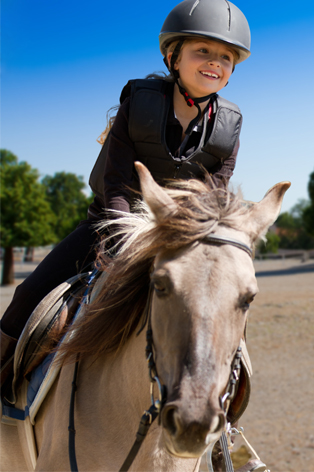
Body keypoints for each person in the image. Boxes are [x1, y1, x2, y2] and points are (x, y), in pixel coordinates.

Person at [1, 0, 250, 395]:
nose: (214, 62)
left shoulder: (229, 127)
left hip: (178, 239)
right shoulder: (139, 105)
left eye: (225, 56)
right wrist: (126, 243)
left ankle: (226, 423)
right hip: (111, 227)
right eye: (202, 50)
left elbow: (213, 198)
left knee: (228, 316)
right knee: (27, 294)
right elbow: (115, 183)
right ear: (173, 56)